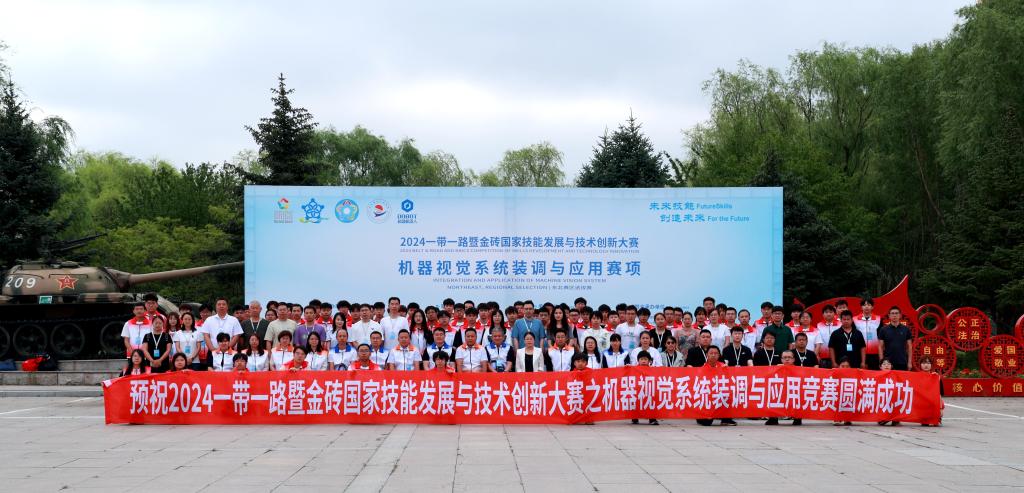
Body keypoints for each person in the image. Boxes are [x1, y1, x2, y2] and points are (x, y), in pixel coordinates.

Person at [878, 306, 913, 371]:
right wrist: (881, 362)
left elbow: (909, 347)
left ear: (900, 315)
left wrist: (909, 362)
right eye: (892, 313)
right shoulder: (883, 329)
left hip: (902, 361)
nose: (894, 315)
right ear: (889, 316)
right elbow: (880, 347)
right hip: (888, 363)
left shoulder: (906, 329)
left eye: (896, 313)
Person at [631, 350, 659, 425]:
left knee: (651, 402)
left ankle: (652, 419)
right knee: (635, 401)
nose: (643, 361)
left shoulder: (653, 369)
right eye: (641, 359)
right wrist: (626, 368)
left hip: (649, 390)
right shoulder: (633, 369)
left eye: (645, 359)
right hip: (637, 390)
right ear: (638, 360)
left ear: (649, 361)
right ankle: (634, 417)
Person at [855, 298, 882, 369]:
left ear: (872, 307)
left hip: (874, 353)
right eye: (864, 305)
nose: (866, 307)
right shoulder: (854, 319)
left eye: (869, 305)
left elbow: (881, 338)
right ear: (861, 307)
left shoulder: (879, 319)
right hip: (859, 352)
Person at [779, 350, 802, 425]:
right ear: (781, 359)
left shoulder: (799, 370)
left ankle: (797, 417)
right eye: (784, 357)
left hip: (794, 392)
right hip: (780, 392)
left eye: (789, 357)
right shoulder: (776, 369)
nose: (787, 359)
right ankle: (773, 418)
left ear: (793, 359)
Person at [918, 356, 943, 427]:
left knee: (935, 422)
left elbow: (939, 394)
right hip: (921, 403)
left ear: (932, 365)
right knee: (925, 423)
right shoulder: (916, 377)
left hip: (933, 402)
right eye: (924, 363)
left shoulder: (936, 377)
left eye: (928, 363)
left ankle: (936, 416)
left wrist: (940, 408)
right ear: (920, 365)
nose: (926, 365)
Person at [833, 357, 854, 426]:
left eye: (847, 366)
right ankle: (837, 417)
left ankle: (847, 418)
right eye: (842, 366)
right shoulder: (834, 374)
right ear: (838, 366)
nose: (845, 368)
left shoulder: (855, 376)